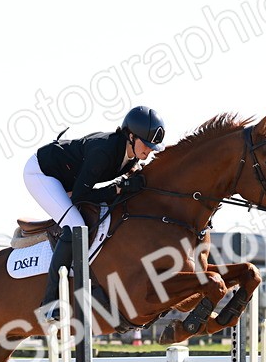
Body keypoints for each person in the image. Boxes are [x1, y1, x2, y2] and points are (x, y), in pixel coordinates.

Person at [23, 105, 167, 320]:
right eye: (146, 145)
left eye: (152, 147)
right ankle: (49, 301)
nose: (149, 151)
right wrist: (117, 188)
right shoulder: (104, 151)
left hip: (68, 177)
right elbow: (81, 196)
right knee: (75, 225)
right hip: (41, 174)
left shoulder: (132, 155)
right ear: (130, 136)